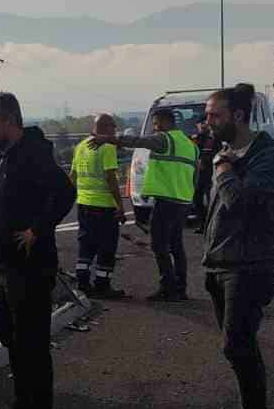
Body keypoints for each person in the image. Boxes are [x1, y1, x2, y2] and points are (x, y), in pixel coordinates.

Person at [0, 93, 77, 409]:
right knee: (14, 343)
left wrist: (39, 229)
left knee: (31, 346)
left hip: (30, 269)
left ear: (8, 121)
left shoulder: (32, 154)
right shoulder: (6, 156)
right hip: (5, 265)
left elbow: (66, 192)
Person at [201, 83, 274, 409]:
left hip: (248, 267)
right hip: (220, 264)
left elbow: (240, 202)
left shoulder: (268, 157)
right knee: (236, 352)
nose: (208, 122)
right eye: (207, 115)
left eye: (214, 115)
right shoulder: (225, 153)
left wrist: (222, 170)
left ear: (238, 116)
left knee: (240, 350)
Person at [93, 109, 197, 301]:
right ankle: (180, 288)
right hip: (183, 201)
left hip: (166, 201)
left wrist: (107, 139)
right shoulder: (189, 144)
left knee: (159, 245)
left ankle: (168, 289)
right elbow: (195, 174)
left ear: (166, 122)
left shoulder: (164, 139)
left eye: (157, 124)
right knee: (176, 245)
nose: (155, 128)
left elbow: (138, 142)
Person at [70, 113, 129, 298]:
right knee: (107, 247)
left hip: (84, 204)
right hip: (103, 206)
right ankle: (102, 286)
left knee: (86, 245)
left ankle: (82, 282)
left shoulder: (80, 146)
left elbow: (72, 176)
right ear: (106, 127)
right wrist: (120, 206)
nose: (115, 131)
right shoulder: (107, 146)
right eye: (113, 127)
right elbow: (110, 178)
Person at [191, 120, 218, 233]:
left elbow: (217, 153)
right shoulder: (195, 138)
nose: (202, 125)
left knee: (213, 201)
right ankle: (203, 225)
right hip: (198, 175)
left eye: (204, 123)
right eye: (200, 123)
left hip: (212, 174)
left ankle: (214, 226)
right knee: (197, 200)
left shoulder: (214, 138)